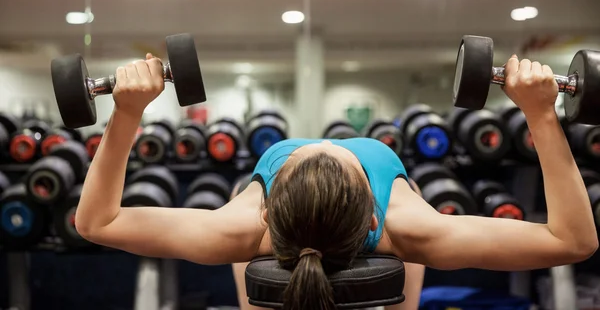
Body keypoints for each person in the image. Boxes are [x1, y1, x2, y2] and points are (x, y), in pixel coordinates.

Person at [75, 53, 598, 310]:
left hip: (262, 245)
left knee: (251, 273)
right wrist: (541, 113)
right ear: (375, 212)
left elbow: (97, 221)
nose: (323, 143)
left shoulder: (239, 230)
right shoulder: (409, 227)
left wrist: (125, 114)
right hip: (394, 244)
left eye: (308, 153)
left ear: (265, 212)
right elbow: (573, 240)